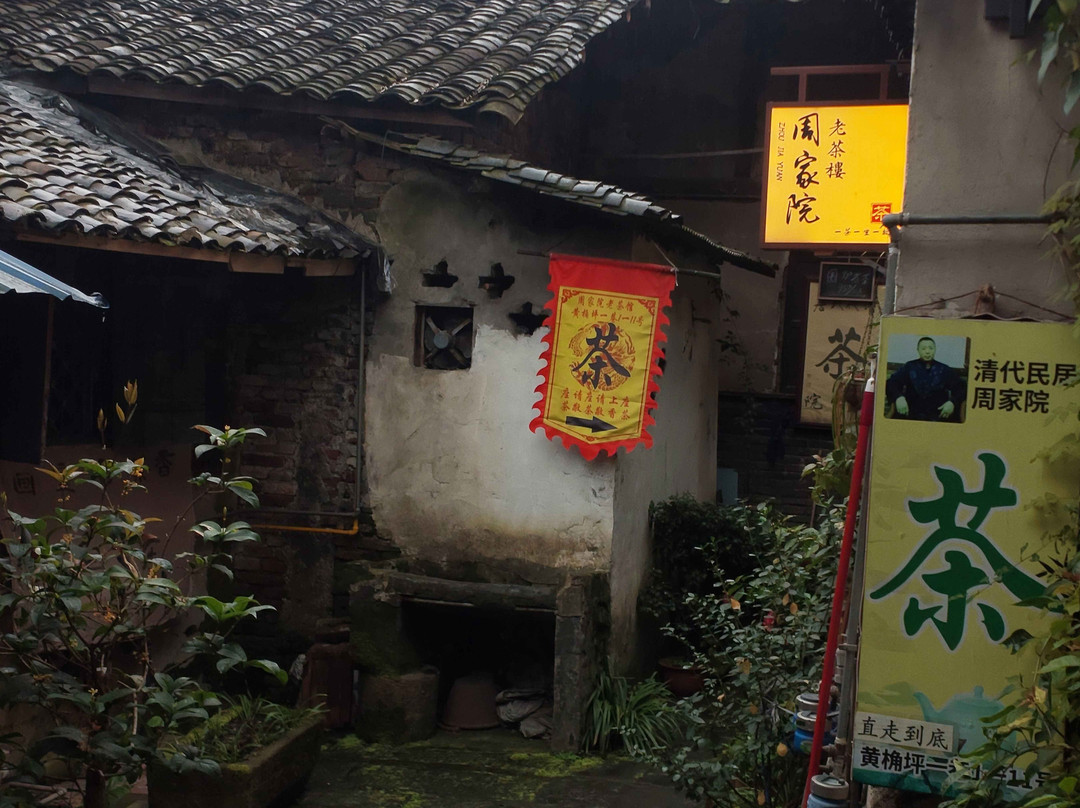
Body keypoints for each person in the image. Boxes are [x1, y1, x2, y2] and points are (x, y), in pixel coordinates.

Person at [885, 336, 966, 422]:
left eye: (931, 348)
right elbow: (892, 382)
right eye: (923, 348)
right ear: (918, 350)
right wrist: (898, 397)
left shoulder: (944, 369)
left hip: (938, 415)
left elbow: (961, 387)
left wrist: (952, 402)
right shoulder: (910, 366)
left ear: (935, 349)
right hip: (911, 414)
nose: (927, 352)